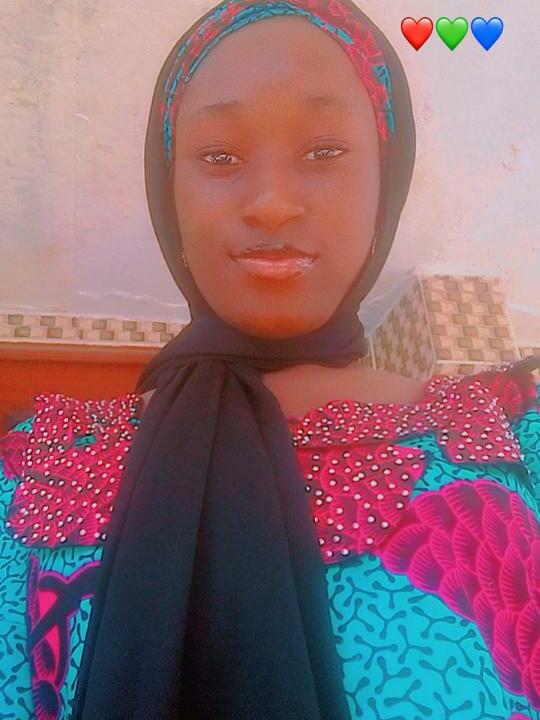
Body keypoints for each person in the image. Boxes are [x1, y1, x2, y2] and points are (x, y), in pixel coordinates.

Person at [0, 1, 539, 718]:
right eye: (220, 157)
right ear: (170, 193)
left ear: (385, 182)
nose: (272, 204)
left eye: (325, 151)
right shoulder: (33, 471)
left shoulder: (513, 440)